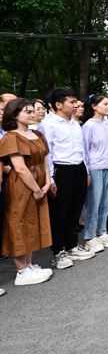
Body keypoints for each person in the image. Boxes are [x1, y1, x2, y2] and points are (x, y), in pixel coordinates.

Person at [0, 98, 54, 284]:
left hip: (38, 182)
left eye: (33, 111)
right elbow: (20, 168)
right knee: (19, 222)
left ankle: (29, 265)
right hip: (22, 185)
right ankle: (22, 271)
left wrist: (46, 182)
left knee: (32, 222)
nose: (33, 114)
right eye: (27, 112)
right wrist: (36, 189)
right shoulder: (11, 137)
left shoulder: (37, 134)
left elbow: (45, 159)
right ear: (15, 115)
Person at [39, 88, 96, 266]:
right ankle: (58, 251)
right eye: (71, 102)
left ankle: (72, 245)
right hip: (61, 170)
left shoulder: (75, 123)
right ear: (58, 104)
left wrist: (85, 171)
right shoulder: (48, 125)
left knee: (75, 209)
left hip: (78, 168)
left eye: (76, 102)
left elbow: (81, 150)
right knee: (60, 212)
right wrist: (51, 179)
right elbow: (47, 155)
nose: (75, 105)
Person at [81, 95, 108, 252]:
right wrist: (87, 172)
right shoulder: (88, 126)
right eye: (105, 104)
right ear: (94, 106)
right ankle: (90, 237)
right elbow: (84, 150)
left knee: (106, 202)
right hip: (95, 168)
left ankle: (102, 232)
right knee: (94, 203)